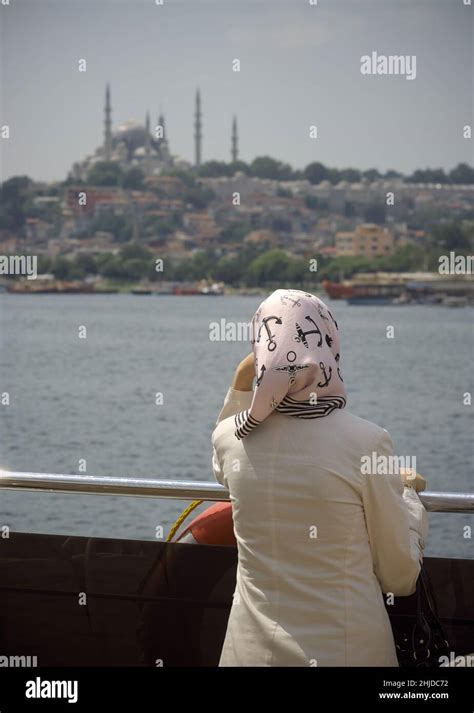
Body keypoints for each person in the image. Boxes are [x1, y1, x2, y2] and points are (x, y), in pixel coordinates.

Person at [211, 288, 427, 667]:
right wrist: (406, 493)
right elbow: (400, 577)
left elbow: (221, 464)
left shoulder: (231, 436)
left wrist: (243, 381)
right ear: (328, 346)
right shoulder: (367, 442)